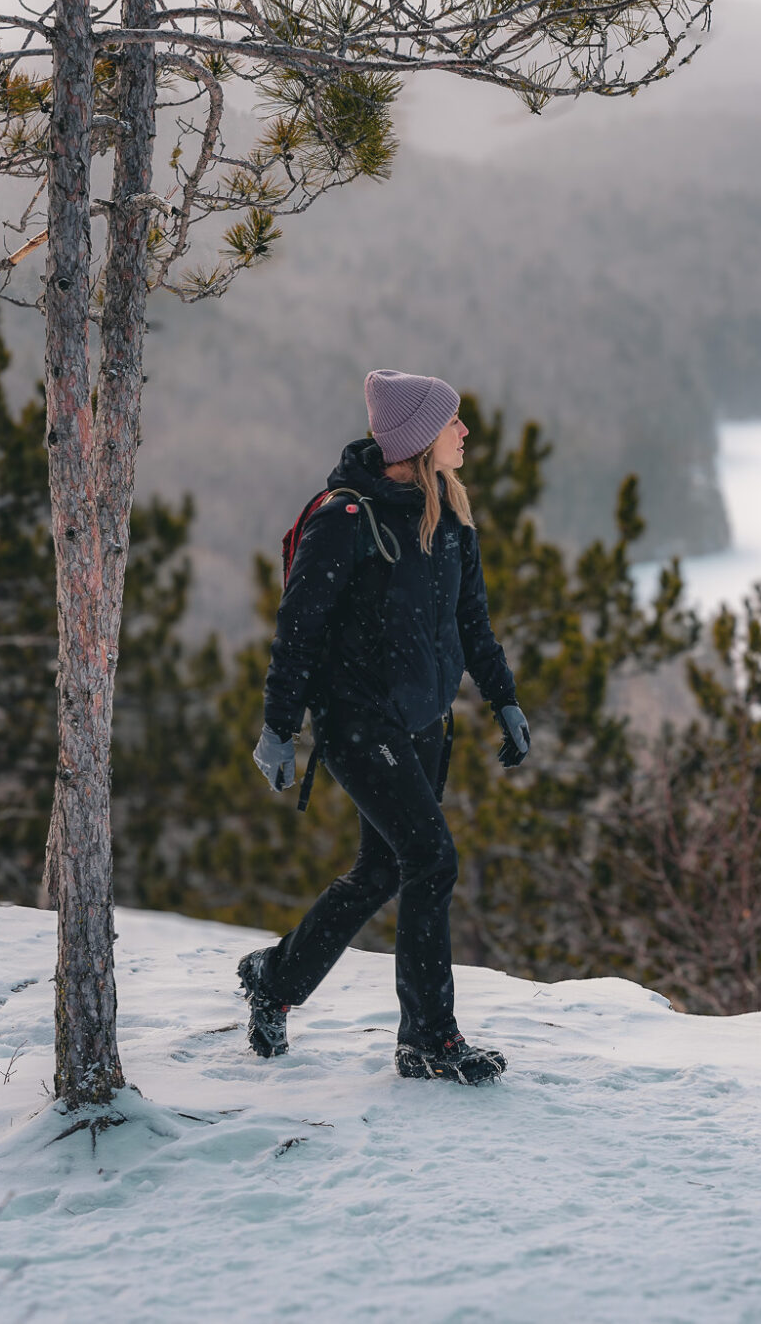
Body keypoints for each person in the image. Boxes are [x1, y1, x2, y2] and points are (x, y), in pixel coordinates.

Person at [238, 369, 532, 1085]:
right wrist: (280, 727)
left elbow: (474, 625)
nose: (465, 432)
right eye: (452, 423)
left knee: (381, 870)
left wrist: (505, 699)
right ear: (419, 439)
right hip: (359, 724)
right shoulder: (346, 520)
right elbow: (298, 631)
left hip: (424, 725)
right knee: (431, 859)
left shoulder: (452, 517)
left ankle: (272, 978)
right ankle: (428, 1038)